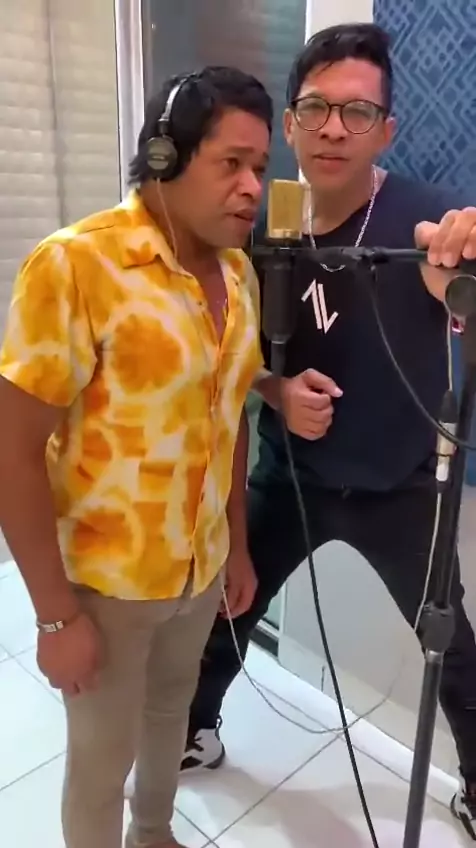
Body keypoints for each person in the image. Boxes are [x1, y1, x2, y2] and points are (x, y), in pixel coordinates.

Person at [183, 25, 476, 838]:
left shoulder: (426, 220)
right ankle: (194, 728)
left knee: (450, 646)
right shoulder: (262, 218)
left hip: (402, 486)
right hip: (289, 476)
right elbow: (228, 352)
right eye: (315, 109)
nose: (333, 129)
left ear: (386, 128)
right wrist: (274, 390)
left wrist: (460, 277)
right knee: (231, 608)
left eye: (357, 112)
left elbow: (457, 295)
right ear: (289, 124)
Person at [0, 66, 272, 848]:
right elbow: (12, 452)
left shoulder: (239, 273)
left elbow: (229, 416)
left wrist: (236, 546)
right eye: (231, 163)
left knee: (170, 715)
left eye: (260, 167)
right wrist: (55, 617)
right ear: (164, 156)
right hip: (106, 585)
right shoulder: (75, 265)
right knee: (100, 761)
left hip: (199, 568)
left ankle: (154, 834)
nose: (252, 188)